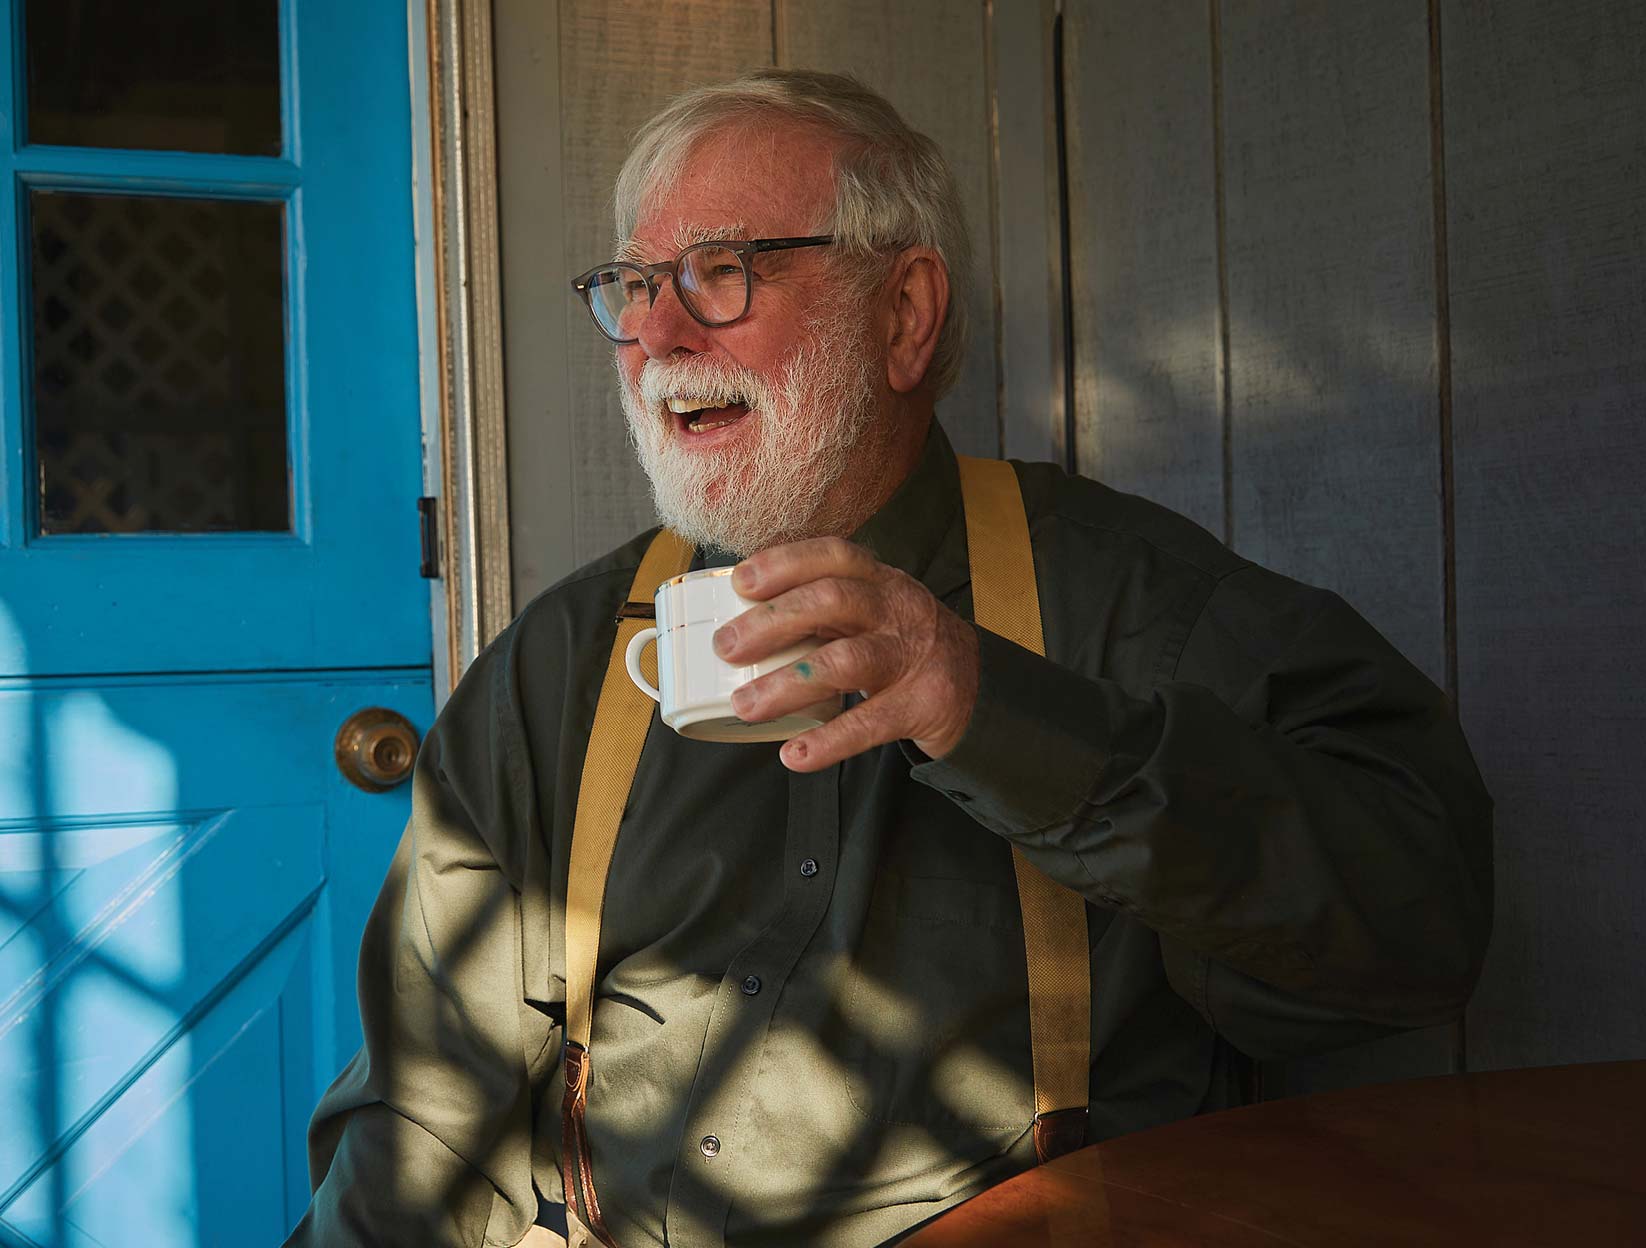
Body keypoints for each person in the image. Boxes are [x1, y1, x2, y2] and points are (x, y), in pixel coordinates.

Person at [292, 68, 1491, 1248]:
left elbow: (1420, 926)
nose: (654, 337)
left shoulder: (1129, 600)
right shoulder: (563, 660)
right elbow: (423, 1111)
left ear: (903, 313)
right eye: (634, 284)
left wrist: (998, 716)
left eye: (720, 273)